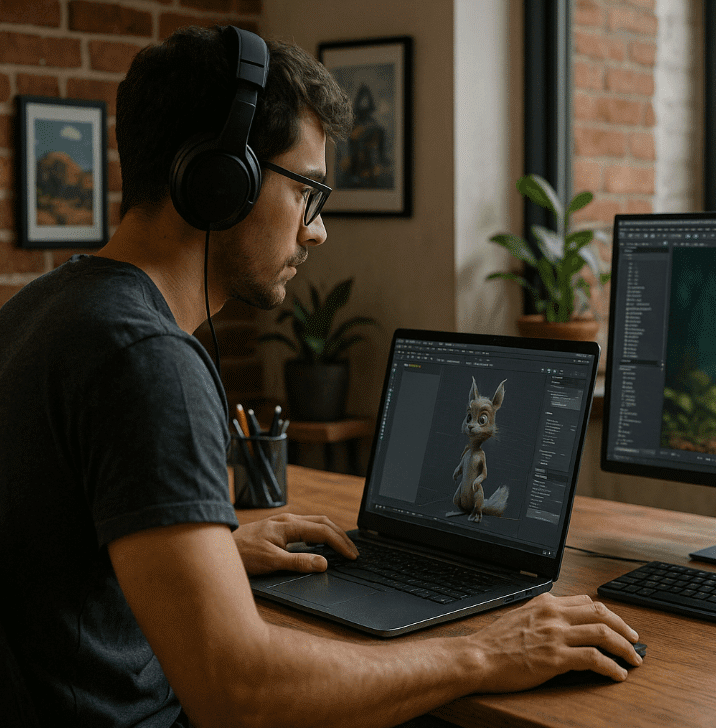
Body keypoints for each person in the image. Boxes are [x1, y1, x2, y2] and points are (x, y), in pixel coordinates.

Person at [0, 26, 640, 728]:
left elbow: (51, 547)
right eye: (309, 190)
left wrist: (213, 553)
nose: (318, 230)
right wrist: (482, 654)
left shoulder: (45, 308)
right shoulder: (146, 360)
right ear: (223, 180)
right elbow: (238, 692)